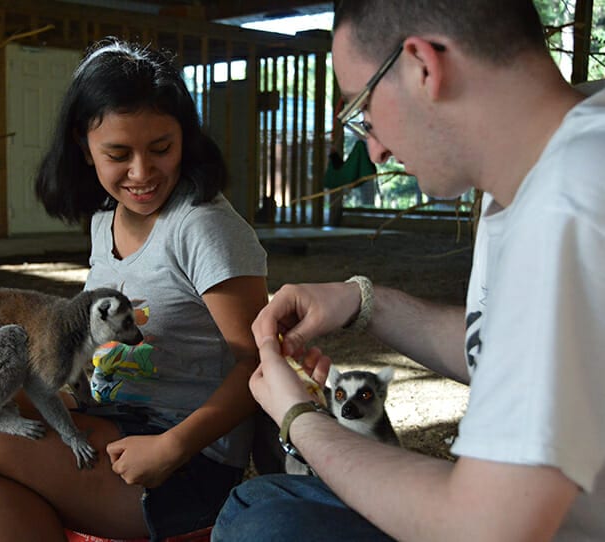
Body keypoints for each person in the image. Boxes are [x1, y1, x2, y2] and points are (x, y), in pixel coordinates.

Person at [212, 1, 605, 541]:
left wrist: (300, 419)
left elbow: (483, 530)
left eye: (363, 113)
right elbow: (500, 346)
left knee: (263, 530)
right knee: (261, 504)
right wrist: (362, 303)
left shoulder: (571, 202)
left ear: (423, 65)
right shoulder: (532, 167)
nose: (374, 150)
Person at [0, 38, 268, 542]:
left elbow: (258, 363)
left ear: (185, 138)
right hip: (113, 417)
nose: (142, 173)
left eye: (161, 148)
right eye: (119, 154)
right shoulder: (106, 219)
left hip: (185, 460)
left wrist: (172, 447)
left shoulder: (202, 227)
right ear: (84, 146)